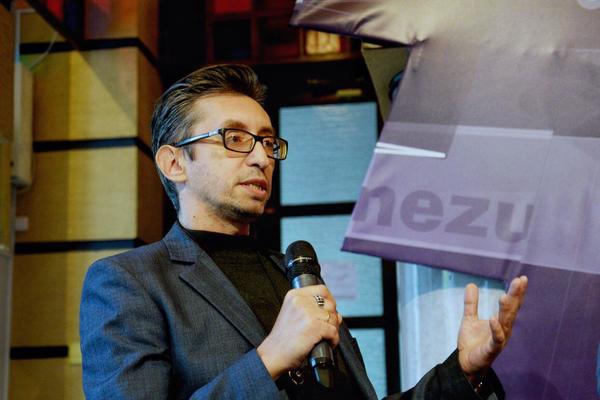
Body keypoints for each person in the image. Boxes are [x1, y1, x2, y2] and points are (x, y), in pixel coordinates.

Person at [80, 64, 528, 399]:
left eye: (267, 141)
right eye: (235, 138)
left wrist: (462, 371)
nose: (261, 158)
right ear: (174, 162)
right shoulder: (130, 281)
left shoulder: (294, 275)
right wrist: (271, 357)